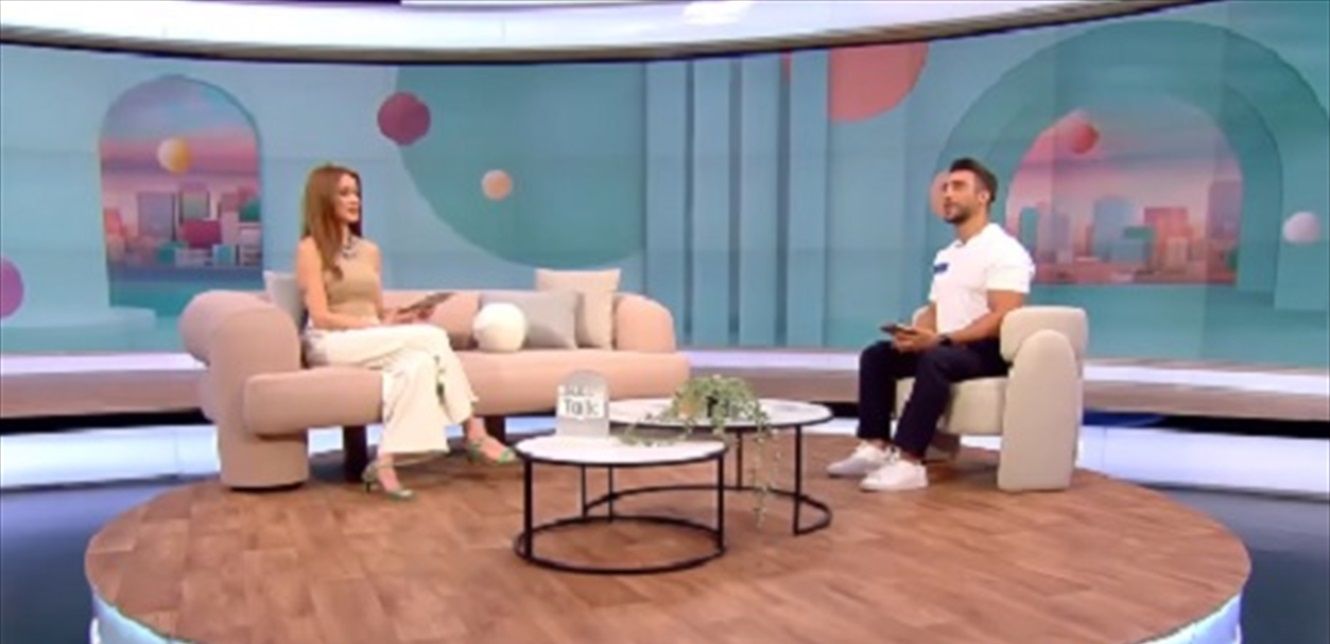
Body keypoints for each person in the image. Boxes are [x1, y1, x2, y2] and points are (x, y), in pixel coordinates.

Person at [296, 163, 513, 501]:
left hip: (367, 337)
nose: (355, 200)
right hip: (330, 342)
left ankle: (383, 464)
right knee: (432, 337)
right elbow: (321, 316)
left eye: (357, 193)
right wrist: (375, 325)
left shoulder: (370, 251)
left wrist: (406, 317)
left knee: (419, 365)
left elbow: (376, 311)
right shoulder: (310, 249)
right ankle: (474, 429)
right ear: (324, 199)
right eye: (344, 193)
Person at [828, 157, 1035, 492]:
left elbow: (1004, 315)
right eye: (945, 188)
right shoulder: (947, 254)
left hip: (986, 351)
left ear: (983, 197)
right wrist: (914, 335)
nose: (948, 194)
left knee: (936, 359)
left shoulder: (1005, 251)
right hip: (948, 345)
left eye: (958, 187)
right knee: (877, 356)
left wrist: (943, 340)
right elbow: (936, 308)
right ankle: (875, 446)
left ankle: (910, 462)